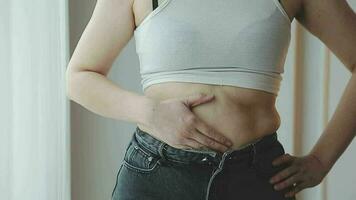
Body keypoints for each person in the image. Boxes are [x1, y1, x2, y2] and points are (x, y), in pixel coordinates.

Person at [65, 0, 356, 199]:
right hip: (158, 176)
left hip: (256, 178)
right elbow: (78, 77)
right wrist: (149, 112)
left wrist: (321, 160)